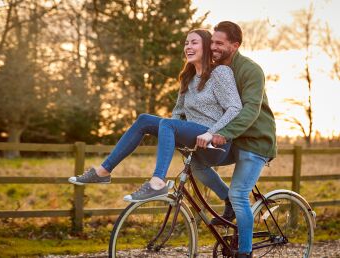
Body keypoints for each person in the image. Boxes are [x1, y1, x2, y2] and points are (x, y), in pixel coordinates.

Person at [68, 29, 243, 202]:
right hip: (194, 139)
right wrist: (174, 135)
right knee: (145, 119)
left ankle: (158, 182)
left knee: (168, 124)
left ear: (206, 47)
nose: (188, 47)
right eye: (186, 43)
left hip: (216, 142)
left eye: (194, 42)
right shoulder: (188, 77)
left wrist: (210, 132)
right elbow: (177, 111)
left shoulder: (220, 72)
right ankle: (103, 171)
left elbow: (235, 108)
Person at [190, 21, 277, 258]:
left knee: (240, 194)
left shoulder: (251, 70)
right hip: (231, 140)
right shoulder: (214, 69)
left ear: (235, 46)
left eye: (219, 43)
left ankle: (245, 253)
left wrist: (223, 133)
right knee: (196, 163)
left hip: (255, 141)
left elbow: (250, 110)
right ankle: (226, 198)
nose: (213, 47)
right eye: (212, 42)